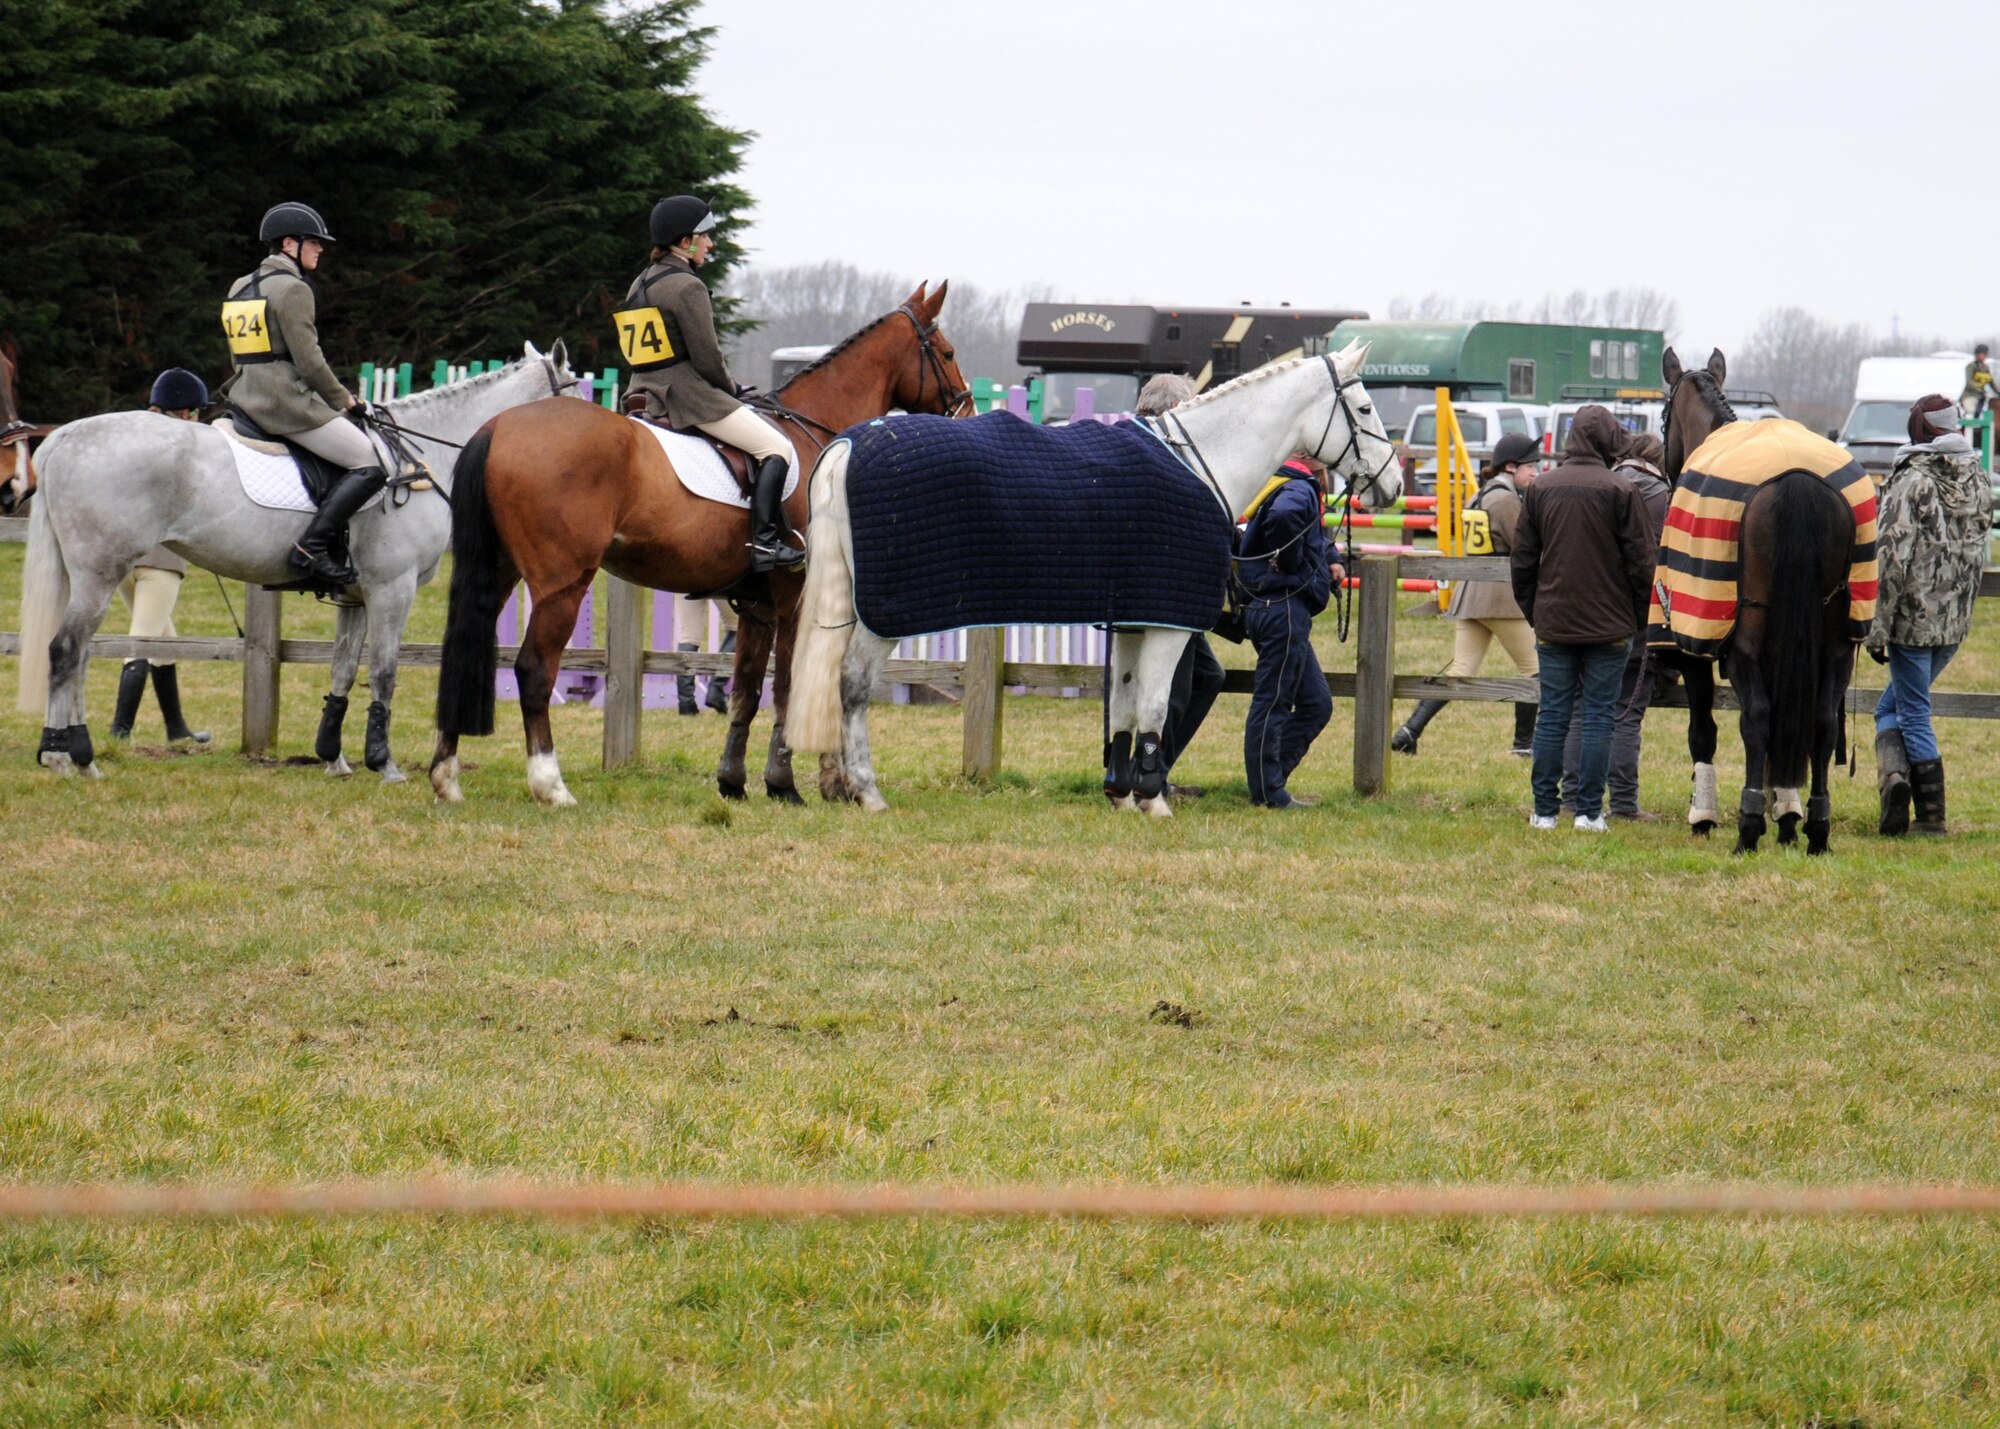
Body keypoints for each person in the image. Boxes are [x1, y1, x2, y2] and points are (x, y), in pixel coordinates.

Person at [618, 195, 800, 571]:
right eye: (705, 236)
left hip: (639, 393)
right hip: (685, 396)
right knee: (776, 446)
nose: (710, 244)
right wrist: (731, 388)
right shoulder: (687, 286)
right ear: (684, 242)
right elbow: (707, 359)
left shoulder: (640, 282)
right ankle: (765, 545)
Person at [221, 201, 384, 588]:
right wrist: (344, 400)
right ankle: (310, 548)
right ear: (289, 244)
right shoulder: (294, 289)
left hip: (244, 398)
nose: (321, 249)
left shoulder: (239, 286)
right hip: (285, 404)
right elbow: (309, 361)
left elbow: (238, 354)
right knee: (368, 461)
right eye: (314, 242)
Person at [1510, 406, 1656, 832]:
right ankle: (1590, 813)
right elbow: (1643, 565)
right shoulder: (1621, 490)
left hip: (1554, 622)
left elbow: (1522, 562)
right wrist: (1634, 616)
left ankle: (1544, 811)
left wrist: (1536, 612)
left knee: (1553, 714)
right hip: (1611, 627)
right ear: (1610, 438)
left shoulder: (1540, 489)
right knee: (1598, 716)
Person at [1868, 394, 1993, 835]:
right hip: (1954, 623)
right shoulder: (1978, 478)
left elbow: (1890, 560)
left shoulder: (1911, 481)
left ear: (1919, 427)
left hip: (1913, 621)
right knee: (1892, 709)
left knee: (1911, 713)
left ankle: (1929, 814)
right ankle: (1895, 783)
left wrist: (1876, 628)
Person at [1391, 431, 1541, 759]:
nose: (1536, 472)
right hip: (1500, 597)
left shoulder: (1482, 493)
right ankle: (1524, 745)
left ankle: (1409, 731)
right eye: (1531, 466)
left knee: (1461, 669)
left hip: (1471, 593)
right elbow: (1524, 548)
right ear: (1512, 466)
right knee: (1535, 669)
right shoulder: (1505, 499)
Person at [1560, 431, 1670, 819]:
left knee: (1579, 709)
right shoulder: (1662, 497)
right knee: (1625, 713)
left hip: (1586, 615)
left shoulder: (1603, 486)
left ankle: (1571, 799)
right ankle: (1624, 803)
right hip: (1637, 620)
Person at [110, 369, 213, 746]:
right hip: (161, 564)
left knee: (165, 640)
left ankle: (176, 730)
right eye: (196, 413)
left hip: (124, 562)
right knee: (142, 642)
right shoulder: (179, 448)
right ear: (185, 414)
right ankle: (119, 733)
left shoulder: (130, 441)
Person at [1136, 373, 1224, 797]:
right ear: (1175, 410)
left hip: (1166, 589)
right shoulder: (1164, 458)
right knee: (1175, 687)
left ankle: (1156, 768)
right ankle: (1150, 775)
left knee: (1208, 676)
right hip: (1166, 592)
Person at [1238, 456, 1343, 809]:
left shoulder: (1276, 479)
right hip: (1282, 606)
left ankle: (1268, 782)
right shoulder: (1299, 486)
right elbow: (1286, 518)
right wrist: (1289, 562)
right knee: (1273, 701)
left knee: (1316, 703)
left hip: (1272, 605)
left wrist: (1330, 555)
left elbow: (1307, 531)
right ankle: (1268, 793)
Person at [1961, 345, 1995, 418]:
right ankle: (1968, 428)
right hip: (1969, 396)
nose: (1980, 356)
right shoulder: (1971, 366)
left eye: (1982, 354)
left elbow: (1992, 383)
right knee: (1971, 413)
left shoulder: (1986, 367)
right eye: (1978, 354)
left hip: (1981, 397)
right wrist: (1981, 391)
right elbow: (1969, 382)